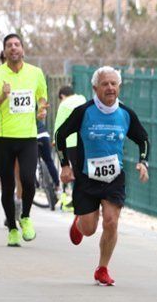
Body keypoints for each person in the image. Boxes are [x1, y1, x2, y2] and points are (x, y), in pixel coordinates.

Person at [55, 66, 150, 286]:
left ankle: (102, 268)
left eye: (113, 84)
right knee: (89, 229)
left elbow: (143, 138)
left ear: (119, 87)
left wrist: (143, 161)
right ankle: (79, 223)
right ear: (95, 87)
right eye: (105, 84)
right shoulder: (84, 112)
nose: (110, 88)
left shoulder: (125, 113)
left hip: (113, 177)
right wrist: (65, 165)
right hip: (87, 177)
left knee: (111, 222)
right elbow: (60, 134)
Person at [0, 34, 48, 246]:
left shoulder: (35, 73)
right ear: (4, 51)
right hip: (3, 138)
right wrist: (2, 96)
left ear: (23, 49)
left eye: (17, 44)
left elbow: (42, 96)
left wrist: (42, 110)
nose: (13, 48)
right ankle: (11, 227)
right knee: (8, 186)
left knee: (29, 180)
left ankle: (26, 217)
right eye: (9, 45)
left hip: (28, 136)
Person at [53, 85, 87, 210]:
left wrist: (54, 140)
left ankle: (77, 201)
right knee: (83, 171)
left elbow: (59, 127)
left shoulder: (64, 105)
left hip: (70, 142)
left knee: (73, 173)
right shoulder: (83, 100)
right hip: (83, 141)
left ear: (62, 96)